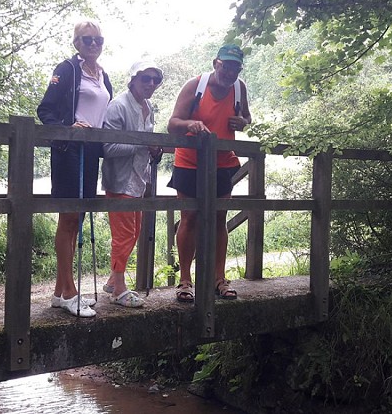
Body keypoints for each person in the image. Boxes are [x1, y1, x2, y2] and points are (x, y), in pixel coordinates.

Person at [36, 20, 113, 317]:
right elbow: (45, 110)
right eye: (87, 39)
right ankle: (69, 292)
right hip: (69, 151)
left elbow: (105, 115)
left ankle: (60, 292)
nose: (94, 44)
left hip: (91, 151)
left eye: (98, 39)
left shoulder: (103, 75)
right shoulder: (67, 69)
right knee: (68, 218)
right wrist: (67, 129)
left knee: (77, 218)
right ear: (76, 43)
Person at [166, 44, 252, 302]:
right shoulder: (195, 86)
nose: (230, 72)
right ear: (216, 64)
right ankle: (185, 281)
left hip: (223, 161)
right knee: (189, 217)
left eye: (236, 67)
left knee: (218, 218)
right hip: (190, 160)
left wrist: (243, 122)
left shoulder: (240, 88)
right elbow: (173, 124)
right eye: (226, 66)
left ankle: (218, 279)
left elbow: (247, 117)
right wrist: (191, 124)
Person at [100, 61, 165, 308]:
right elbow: (109, 147)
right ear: (133, 79)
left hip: (139, 180)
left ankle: (111, 281)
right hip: (120, 180)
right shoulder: (118, 105)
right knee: (124, 234)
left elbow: (148, 147)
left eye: (155, 80)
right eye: (146, 78)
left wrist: (154, 150)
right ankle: (118, 289)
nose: (151, 84)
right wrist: (143, 143)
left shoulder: (147, 107)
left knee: (133, 232)